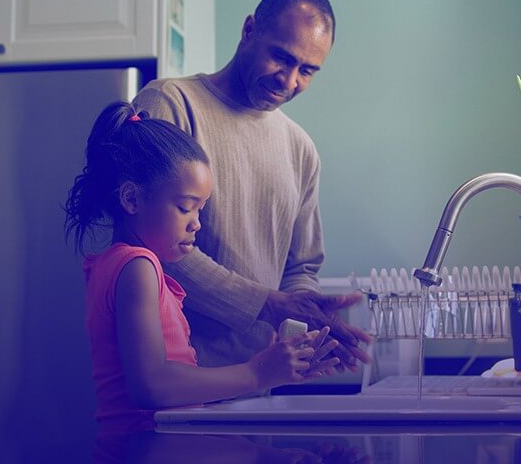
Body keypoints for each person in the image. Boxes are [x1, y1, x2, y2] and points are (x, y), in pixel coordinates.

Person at [133, 0, 371, 370]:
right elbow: (152, 243)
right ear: (249, 31)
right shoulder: (170, 104)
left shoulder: (301, 149)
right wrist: (267, 304)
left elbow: (301, 268)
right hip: (175, 378)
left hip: (261, 381)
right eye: (281, 57)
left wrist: (305, 324)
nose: (290, 80)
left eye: (308, 70)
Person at [64, 101, 339, 433]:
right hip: (142, 450)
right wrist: (259, 372)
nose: (197, 224)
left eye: (200, 210)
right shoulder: (138, 266)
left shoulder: (116, 264)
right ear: (132, 199)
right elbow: (151, 386)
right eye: (185, 208)